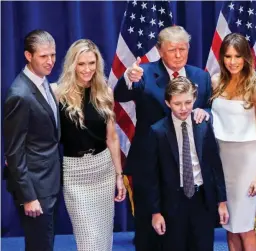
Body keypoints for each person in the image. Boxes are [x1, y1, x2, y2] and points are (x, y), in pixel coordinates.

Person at [113, 26, 211, 250]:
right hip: (151, 167)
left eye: (182, 49)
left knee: (189, 234)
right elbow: (121, 95)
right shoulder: (144, 73)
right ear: (159, 50)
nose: (178, 55)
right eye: (172, 50)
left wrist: (207, 112)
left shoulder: (201, 77)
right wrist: (128, 78)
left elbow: (209, 110)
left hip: (188, 168)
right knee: (151, 234)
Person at [52, 39, 126, 250]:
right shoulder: (57, 93)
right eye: (81, 64)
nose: (87, 69)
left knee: (103, 238)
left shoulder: (105, 92)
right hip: (75, 172)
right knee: (88, 240)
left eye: (91, 63)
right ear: (72, 64)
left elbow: (111, 137)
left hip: (103, 169)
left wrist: (119, 176)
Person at [143, 76, 229, 251]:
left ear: (195, 99)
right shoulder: (157, 131)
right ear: (168, 103)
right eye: (177, 104)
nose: (183, 108)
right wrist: (156, 212)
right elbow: (152, 177)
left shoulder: (203, 125)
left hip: (202, 201)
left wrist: (222, 201)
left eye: (188, 102)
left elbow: (215, 165)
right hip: (173, 204)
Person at [211, 33, 256, 251]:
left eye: (237, 56)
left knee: (244, 226)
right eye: (228, 56)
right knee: (229, 224)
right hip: (222, 160)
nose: (233, 61)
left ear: (246, 57)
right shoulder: (216, 81)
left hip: (247, 161)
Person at [3, 29, 60, 251]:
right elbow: (14, 152)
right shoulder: (20, 94)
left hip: (48, 182)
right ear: (29, 56)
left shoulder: (42, 82)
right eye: (43, 56)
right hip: (35, 189)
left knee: (44, 243)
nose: (50, 61)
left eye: (53, 55)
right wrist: (29, 197)